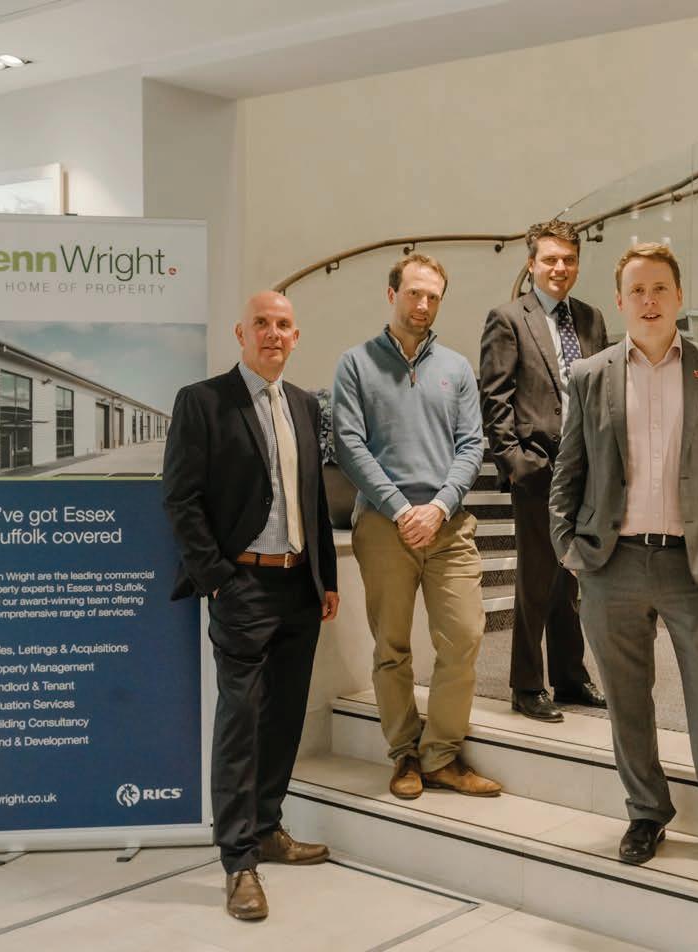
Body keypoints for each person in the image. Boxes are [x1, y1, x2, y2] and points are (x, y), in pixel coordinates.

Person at [550, 242, 698, 878]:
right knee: (626, 697)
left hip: (695, 565)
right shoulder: (590, 375)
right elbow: (569, 469)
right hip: (611, 564)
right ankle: (646, 811)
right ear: (620, 301)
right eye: (637, 291)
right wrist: (569, 547)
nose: (649, 301)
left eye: (660, 289)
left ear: (679, 296)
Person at [163, 291, 339, 922]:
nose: (272, 333)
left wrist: (326, 577)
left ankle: (267, 828)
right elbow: (181, 498)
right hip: (242, 586)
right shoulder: (203, 401)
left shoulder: (306, 405)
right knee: (240, 722)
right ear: (241, 333)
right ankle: (239, 861)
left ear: (296, 336)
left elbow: (313, 498)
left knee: (284, 718)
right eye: (261, 323)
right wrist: (216, 579)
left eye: (283, 325)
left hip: (299, 588)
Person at [333, 252, 502, 803]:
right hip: (386, 525)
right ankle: (404, 752)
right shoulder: (355, 364)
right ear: (392, 294)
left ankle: (441, 755)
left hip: (447, 524)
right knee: (392, 646)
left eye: (433, 296)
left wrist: (441, 506)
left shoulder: (456, 368)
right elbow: (349, 444)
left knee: (464, 637)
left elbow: (471, 444)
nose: (423, 304)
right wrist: (401, 509)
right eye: (414, 293)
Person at [479, 219, 609, 723]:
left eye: (569, 259)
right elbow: (495, 399)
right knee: (535, 580)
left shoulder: (591, 319)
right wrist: (516, 463)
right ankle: (527, 684)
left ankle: (570, 676)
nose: (560, 268)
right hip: (537, 466)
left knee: (570, 579)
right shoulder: (508, 318)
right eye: (550, 259)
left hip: (586, 466)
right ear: (532, 263)